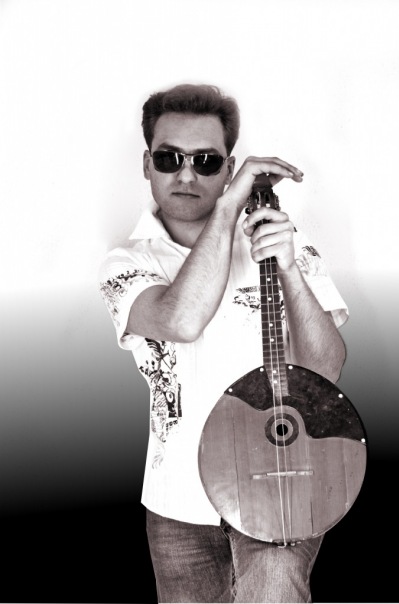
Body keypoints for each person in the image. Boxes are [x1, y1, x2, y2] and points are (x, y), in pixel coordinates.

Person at [99, 83, 348, 603]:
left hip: (281, 481)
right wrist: (231, 203)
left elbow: (326, 370)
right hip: (178, 506)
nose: (187, 175)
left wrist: (290, 271)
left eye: (207, 161)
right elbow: (181, 320)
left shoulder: (282, 244)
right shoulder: (127, 264)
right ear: (146, 164)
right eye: (169, 158)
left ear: (228, 166)